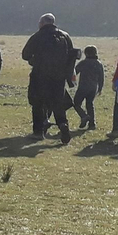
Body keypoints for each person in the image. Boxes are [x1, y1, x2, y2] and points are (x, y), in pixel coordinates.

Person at [20, 13, 76, 142]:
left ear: (42, 23)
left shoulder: (37, 36)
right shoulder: (64, 36)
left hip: (39, 75)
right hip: (59, 76)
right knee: (58, 103)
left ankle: (38, 131)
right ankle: (63, 124)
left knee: (38, 103)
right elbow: (72, 55)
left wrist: (34, 60)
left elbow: (25, 54)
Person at [73, 45, 104, 130]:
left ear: (86, 53)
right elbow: (101, 77)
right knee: (90, 104)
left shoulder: (84, 63)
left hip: (83, 87)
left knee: (76, 103)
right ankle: (92, 124)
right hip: (93, 88)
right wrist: (100, 88)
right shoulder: (98, 63)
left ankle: (84, 116)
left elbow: (75, 72)